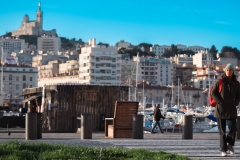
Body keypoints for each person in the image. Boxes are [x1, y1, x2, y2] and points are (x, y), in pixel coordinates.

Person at [211, 63, 240, 157]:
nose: (228, 71)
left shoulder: (236, 83)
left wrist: (236, 102)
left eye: (230, 70)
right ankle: (223, 150)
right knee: (222, 131)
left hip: (231, 109)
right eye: (227, 70)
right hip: (221, 109)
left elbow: (239, 95)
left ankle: (230, 145)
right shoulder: (220, 81)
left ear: (233, 71)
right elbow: (213, 93)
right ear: (225, 71)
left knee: (233, 129)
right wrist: (219, 101)